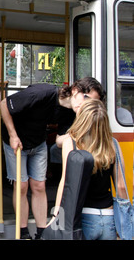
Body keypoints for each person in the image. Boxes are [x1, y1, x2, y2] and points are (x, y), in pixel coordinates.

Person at [0, 77, 104, 239]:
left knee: (39, 185)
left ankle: (42, 231)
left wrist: (78, 135)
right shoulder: (43, 92)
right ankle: (23, 231)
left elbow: (59, 141)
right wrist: (13, 136)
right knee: (21, 186)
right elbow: (4, 104)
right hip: (15, 141)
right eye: (87, 99)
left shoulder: (72, 114)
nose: (87, 106)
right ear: (75, 90)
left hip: (38, 142)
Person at [51, 98, 128, 240]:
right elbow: (121, 187)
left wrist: (57, 213)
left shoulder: (72, 143)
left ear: (82, 119)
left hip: (83, 217)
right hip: (108, 218)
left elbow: (65, 183)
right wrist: (124, 221)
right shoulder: (113, 145)